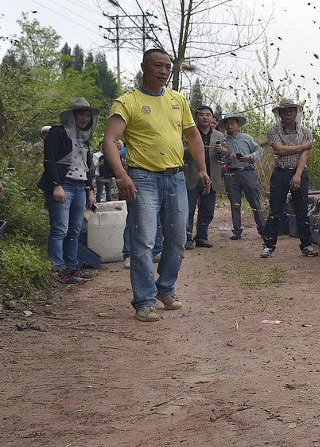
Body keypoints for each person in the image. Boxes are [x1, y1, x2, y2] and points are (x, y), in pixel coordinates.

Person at [102, 48, 210, 322]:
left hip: (175, 177)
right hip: (143, 178)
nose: (163, 71)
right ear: (143, 67)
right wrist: (121, 175)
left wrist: (202, 169)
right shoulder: (127, 102)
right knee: (144, 242)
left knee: (178, 240)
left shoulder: (178, 100)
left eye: (168, 68)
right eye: (157, 66)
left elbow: (193, 136)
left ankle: (166, 289)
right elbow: (109, 141)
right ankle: (144, 301)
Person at [37, 98, 100, 284]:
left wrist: (90, 190)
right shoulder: (57, 133)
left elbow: (86, 166)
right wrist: (57, 185)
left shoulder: (83, 139)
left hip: (80, 188)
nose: (85, 118)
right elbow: (49, 160)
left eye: (88, 115)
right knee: (60, 229)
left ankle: (72, 267)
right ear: (72, 115)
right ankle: (57, 270)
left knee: (74, 230)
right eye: (81, 114)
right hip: (63, 187)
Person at [259, 97, 318, 258]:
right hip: (280, 172)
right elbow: (280, 150)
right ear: (280, 113)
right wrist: (302, 146)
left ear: (296, 112)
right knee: (275, 211)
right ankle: (268, 245)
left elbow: (304, 155)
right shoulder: (273, 130)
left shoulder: (306, 132)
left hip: (299, 172)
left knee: (302, 211)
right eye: (284, 111)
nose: (287, 114)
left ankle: (306, 245)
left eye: (291, 110)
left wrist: (298, 175)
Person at [217, 113, 265, 240]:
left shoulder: (247, 138)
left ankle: (262, 228)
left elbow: (259, 151)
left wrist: (250, 157)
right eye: (227, 123)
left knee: (255, 201)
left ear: (237, 124)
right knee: (235, 203)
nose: (230, 125)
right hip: (231, 173)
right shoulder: (223, 141)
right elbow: (218, 157)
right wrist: (228, 156)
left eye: (232, 123)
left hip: (248, 171)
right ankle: (237, 230)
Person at [183, 106, 224, 249]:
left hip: (212, 178)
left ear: (213, 118)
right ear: (196, 117)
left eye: (208, 115)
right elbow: (180, 151)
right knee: (188, 209)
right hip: (192, 176)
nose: (205, 117)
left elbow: (227, 151)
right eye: (202, 115)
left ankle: (201, 237)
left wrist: (222, 150)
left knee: (207, 211)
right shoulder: (187, 134)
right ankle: (187, 238)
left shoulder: (219, 135)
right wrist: (193, 147)